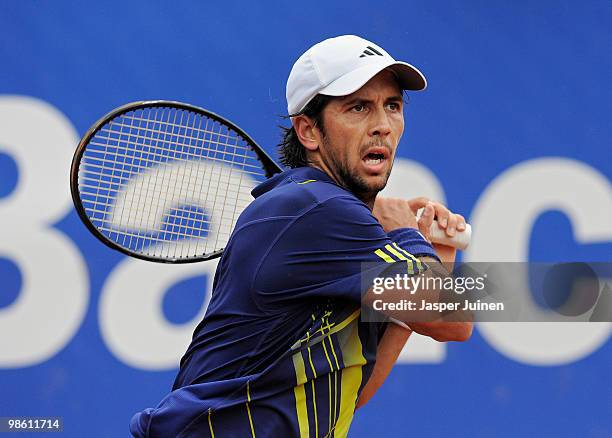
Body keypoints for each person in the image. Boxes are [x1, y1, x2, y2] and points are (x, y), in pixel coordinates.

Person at [130, 34, 472, 438]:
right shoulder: (315, 210)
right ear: (308, 130)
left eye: (392, 106)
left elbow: (352, 395)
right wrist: (405, 235)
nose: (382, 125)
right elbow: (452, 315)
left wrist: (435, 252)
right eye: (358, 107)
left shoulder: (323, 218)